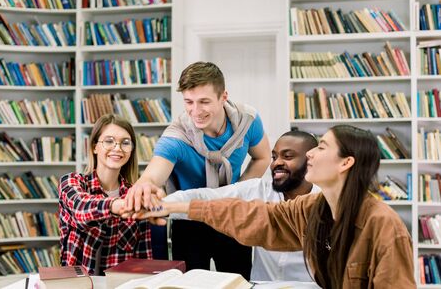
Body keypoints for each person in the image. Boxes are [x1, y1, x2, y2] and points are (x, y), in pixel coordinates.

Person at [138, 125, 416, 288]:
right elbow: (256, 216)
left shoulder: (383, 226)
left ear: (346, 163)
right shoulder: (313, 209)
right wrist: (172, 207)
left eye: (321, 147)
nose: (311, 154)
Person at [125, 61, 271, 279]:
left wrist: (235, 194)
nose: (196, 111)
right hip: (189, 222)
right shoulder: (177, 136)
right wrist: (144, 185)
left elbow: (263, 157)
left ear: (224, 97)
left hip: (231, 216)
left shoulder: (247, 120)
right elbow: (153, 175)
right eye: (189, 102)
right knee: (192, 284)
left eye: (204, 101)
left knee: (238, 281)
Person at [147, 130, 319, 282]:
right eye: (274, 157)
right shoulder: (258, 188)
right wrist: (159, 205)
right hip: (261, 285)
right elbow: (207, 196)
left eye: (287, 156)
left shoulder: (325, 202)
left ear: (310, 160)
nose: (276, 163)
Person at [58, 114, 152, 275]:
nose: (117, 148)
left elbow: (143, 257)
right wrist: (117, 205)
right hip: (78, 284)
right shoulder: (71, 182)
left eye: (125, 143)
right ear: (95, 146)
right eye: (109, 141)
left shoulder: (135, 194)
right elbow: (81, 208)